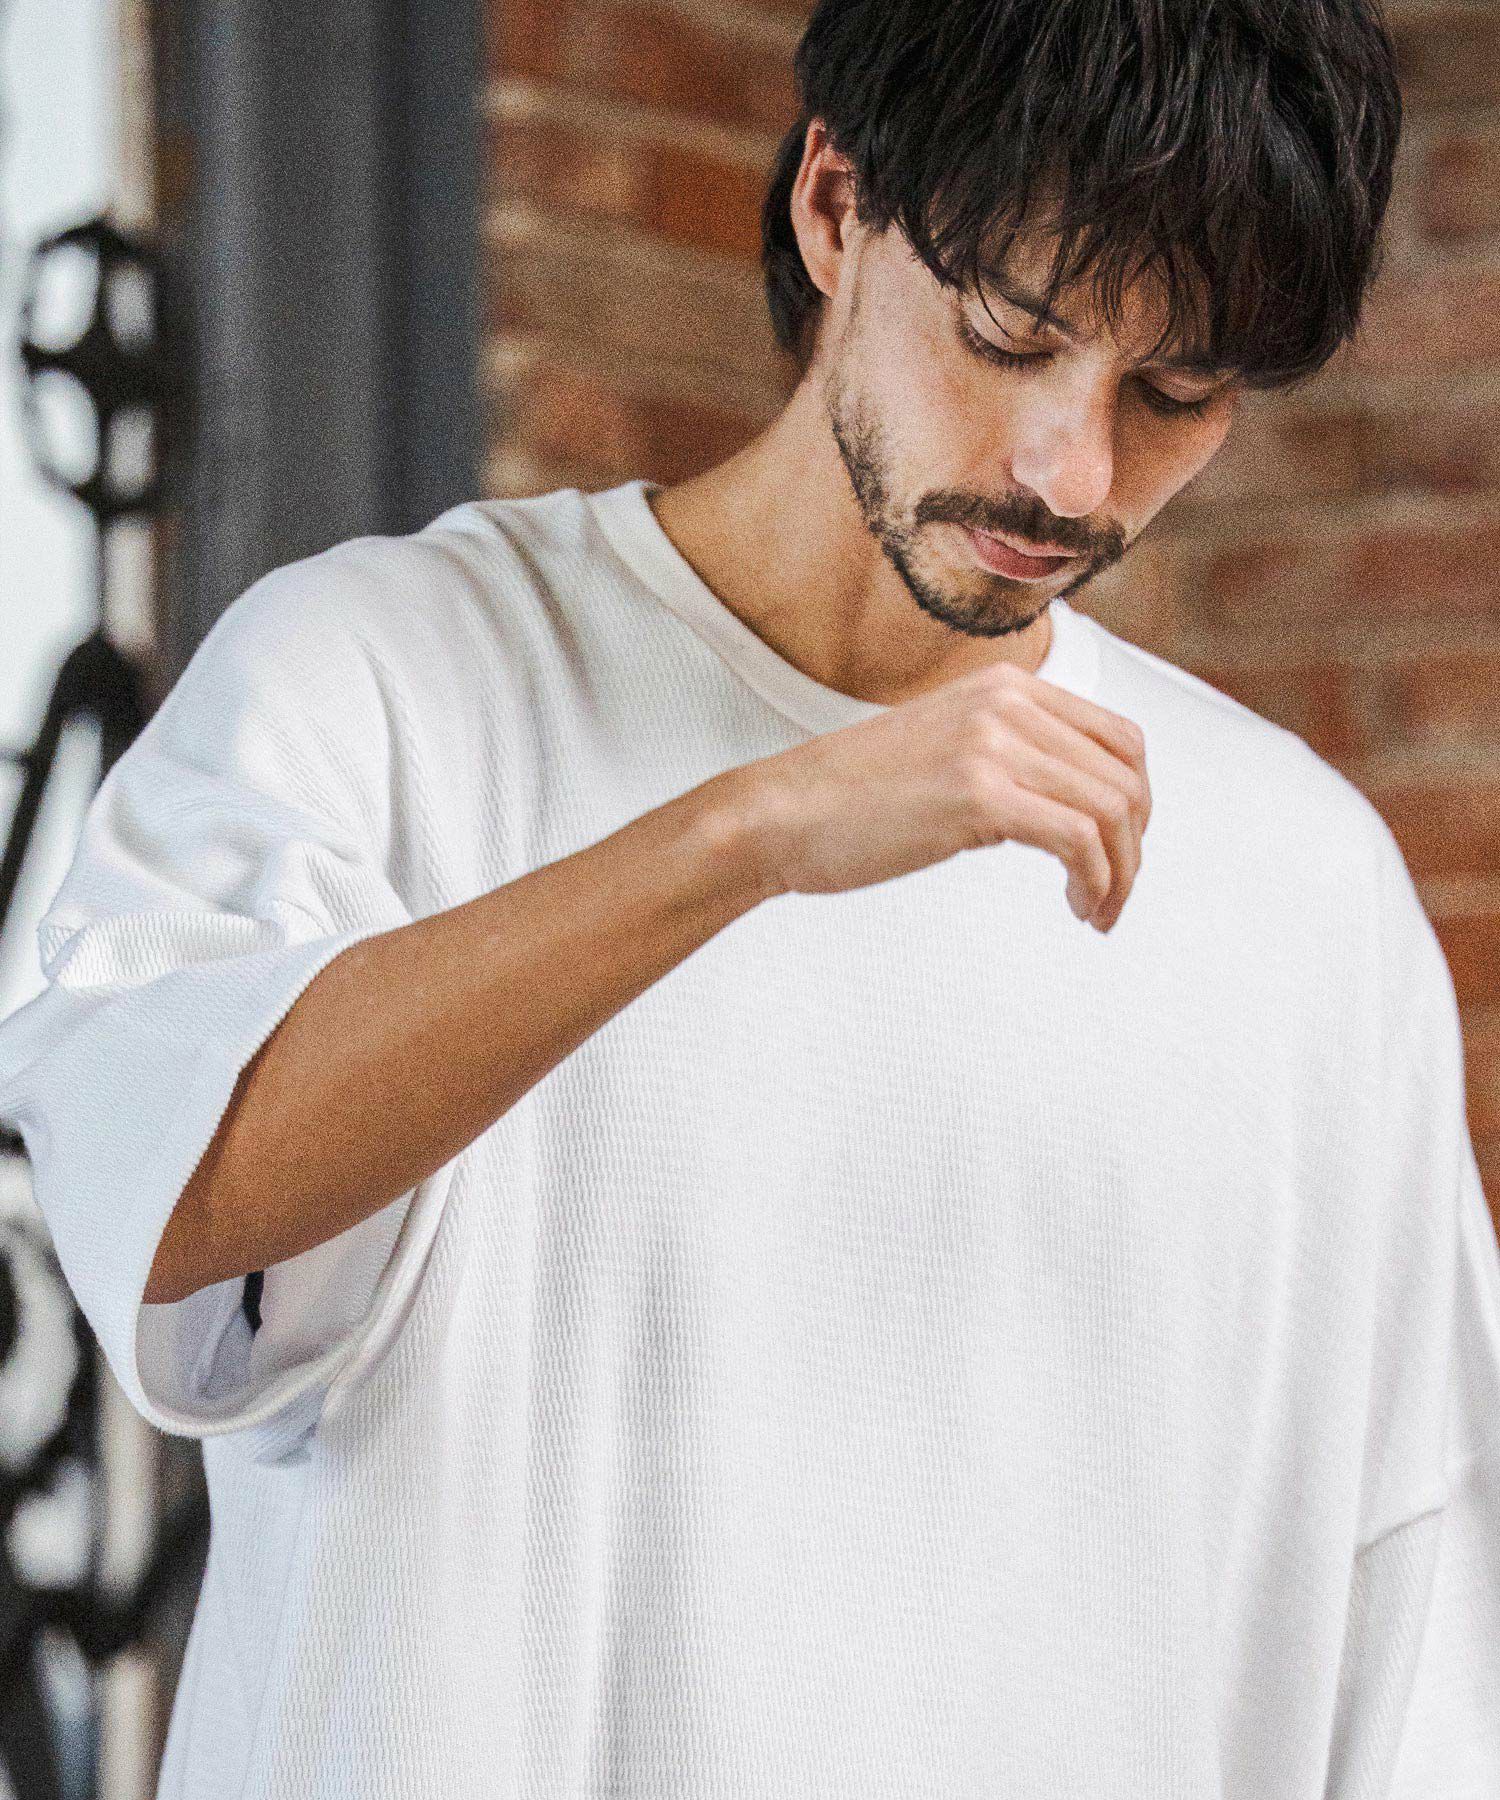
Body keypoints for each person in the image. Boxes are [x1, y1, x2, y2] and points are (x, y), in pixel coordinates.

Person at [0, 0, 1495, 1793]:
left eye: (1172, 397)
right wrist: (752, 831)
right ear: (836, 206)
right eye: (1010, 335)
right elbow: (171, 1204)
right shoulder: (383, 677)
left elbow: (1418, 1653)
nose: (1070, 472)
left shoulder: (1304, 888)